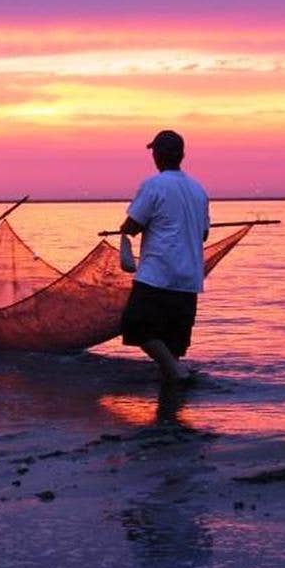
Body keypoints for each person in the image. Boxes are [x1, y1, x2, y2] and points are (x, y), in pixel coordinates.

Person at [118, 130, 210, 386]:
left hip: (158, 276)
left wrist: (124, 230)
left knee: (135, 327)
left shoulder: (154, 185)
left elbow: (132, 226)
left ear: (157, 156)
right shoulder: (198, 189)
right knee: (173, 344)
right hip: (189, 280)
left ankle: (178, 374)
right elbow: (203, 234)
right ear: (182, 155)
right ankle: (173, 392)